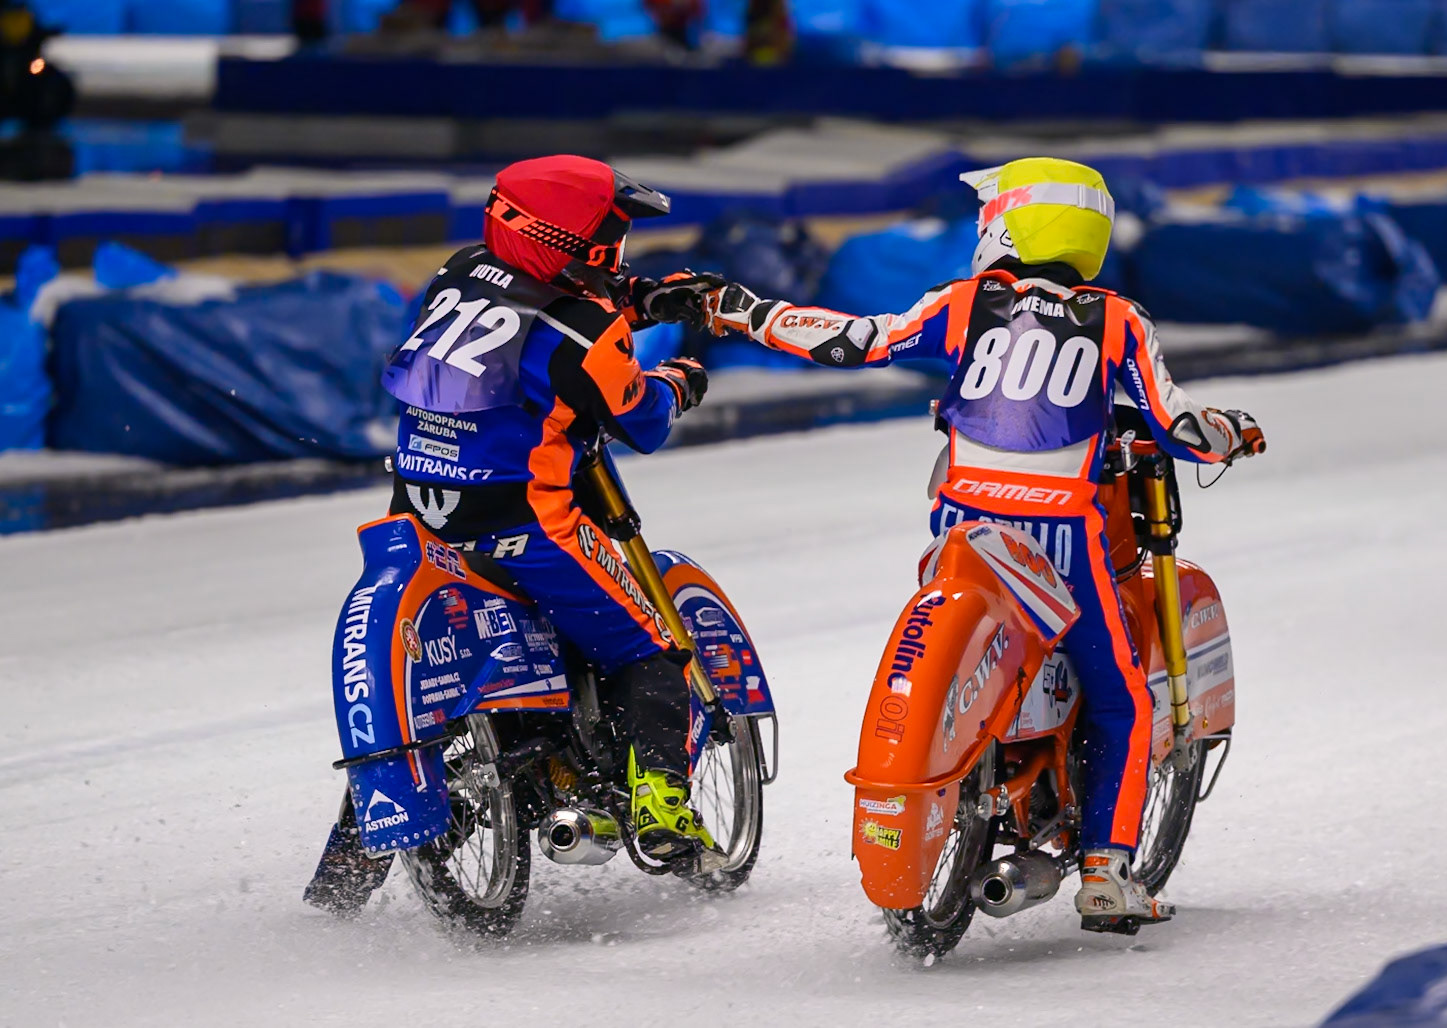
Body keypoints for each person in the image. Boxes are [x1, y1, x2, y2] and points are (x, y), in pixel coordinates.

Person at [700, 157, 1266, 930]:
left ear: (1010, 225)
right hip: (1062, 538)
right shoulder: (1119, 319)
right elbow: (1177, 428)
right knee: (1124, 700)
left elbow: (857, 339)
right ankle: (1104, 870)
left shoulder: (966, 303)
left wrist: (748, 313)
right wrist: (1231, 431)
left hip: (964, 525)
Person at [306, 155, 723, 913]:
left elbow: (533, 317)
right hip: (523, 521)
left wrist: (640, 299)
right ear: (568, 238)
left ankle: (346, 874)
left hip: (420, 508)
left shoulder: (458, 270)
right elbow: (643, 421)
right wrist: (677, 379)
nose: (616, 251)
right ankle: (663, 807)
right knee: (648, 643)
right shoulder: (590, 332)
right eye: (609, 237)